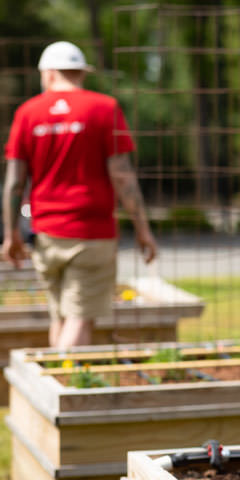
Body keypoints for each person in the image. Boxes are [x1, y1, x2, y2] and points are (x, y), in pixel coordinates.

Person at [2, 41, 156, 349]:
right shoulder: (104, 108)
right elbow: (122, 175)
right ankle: (61, 386)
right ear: (81, 74)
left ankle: (51, 386)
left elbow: (14, 183)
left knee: (59, 316)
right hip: (92, 233)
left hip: (45, 233)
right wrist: (143, 229)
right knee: (79, 318)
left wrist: (10, 236)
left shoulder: (28, 113)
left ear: (48, 74)